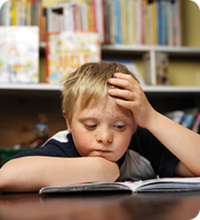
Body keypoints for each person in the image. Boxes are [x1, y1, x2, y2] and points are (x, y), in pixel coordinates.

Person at [0, 60, 200, 192]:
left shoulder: (142, 142)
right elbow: (6, 176)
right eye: (90, 125)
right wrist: (98, 169)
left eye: (120, 126)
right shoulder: (64, 145)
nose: (104, 137)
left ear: (135, 125)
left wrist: (152, 118)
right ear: (68, 122)